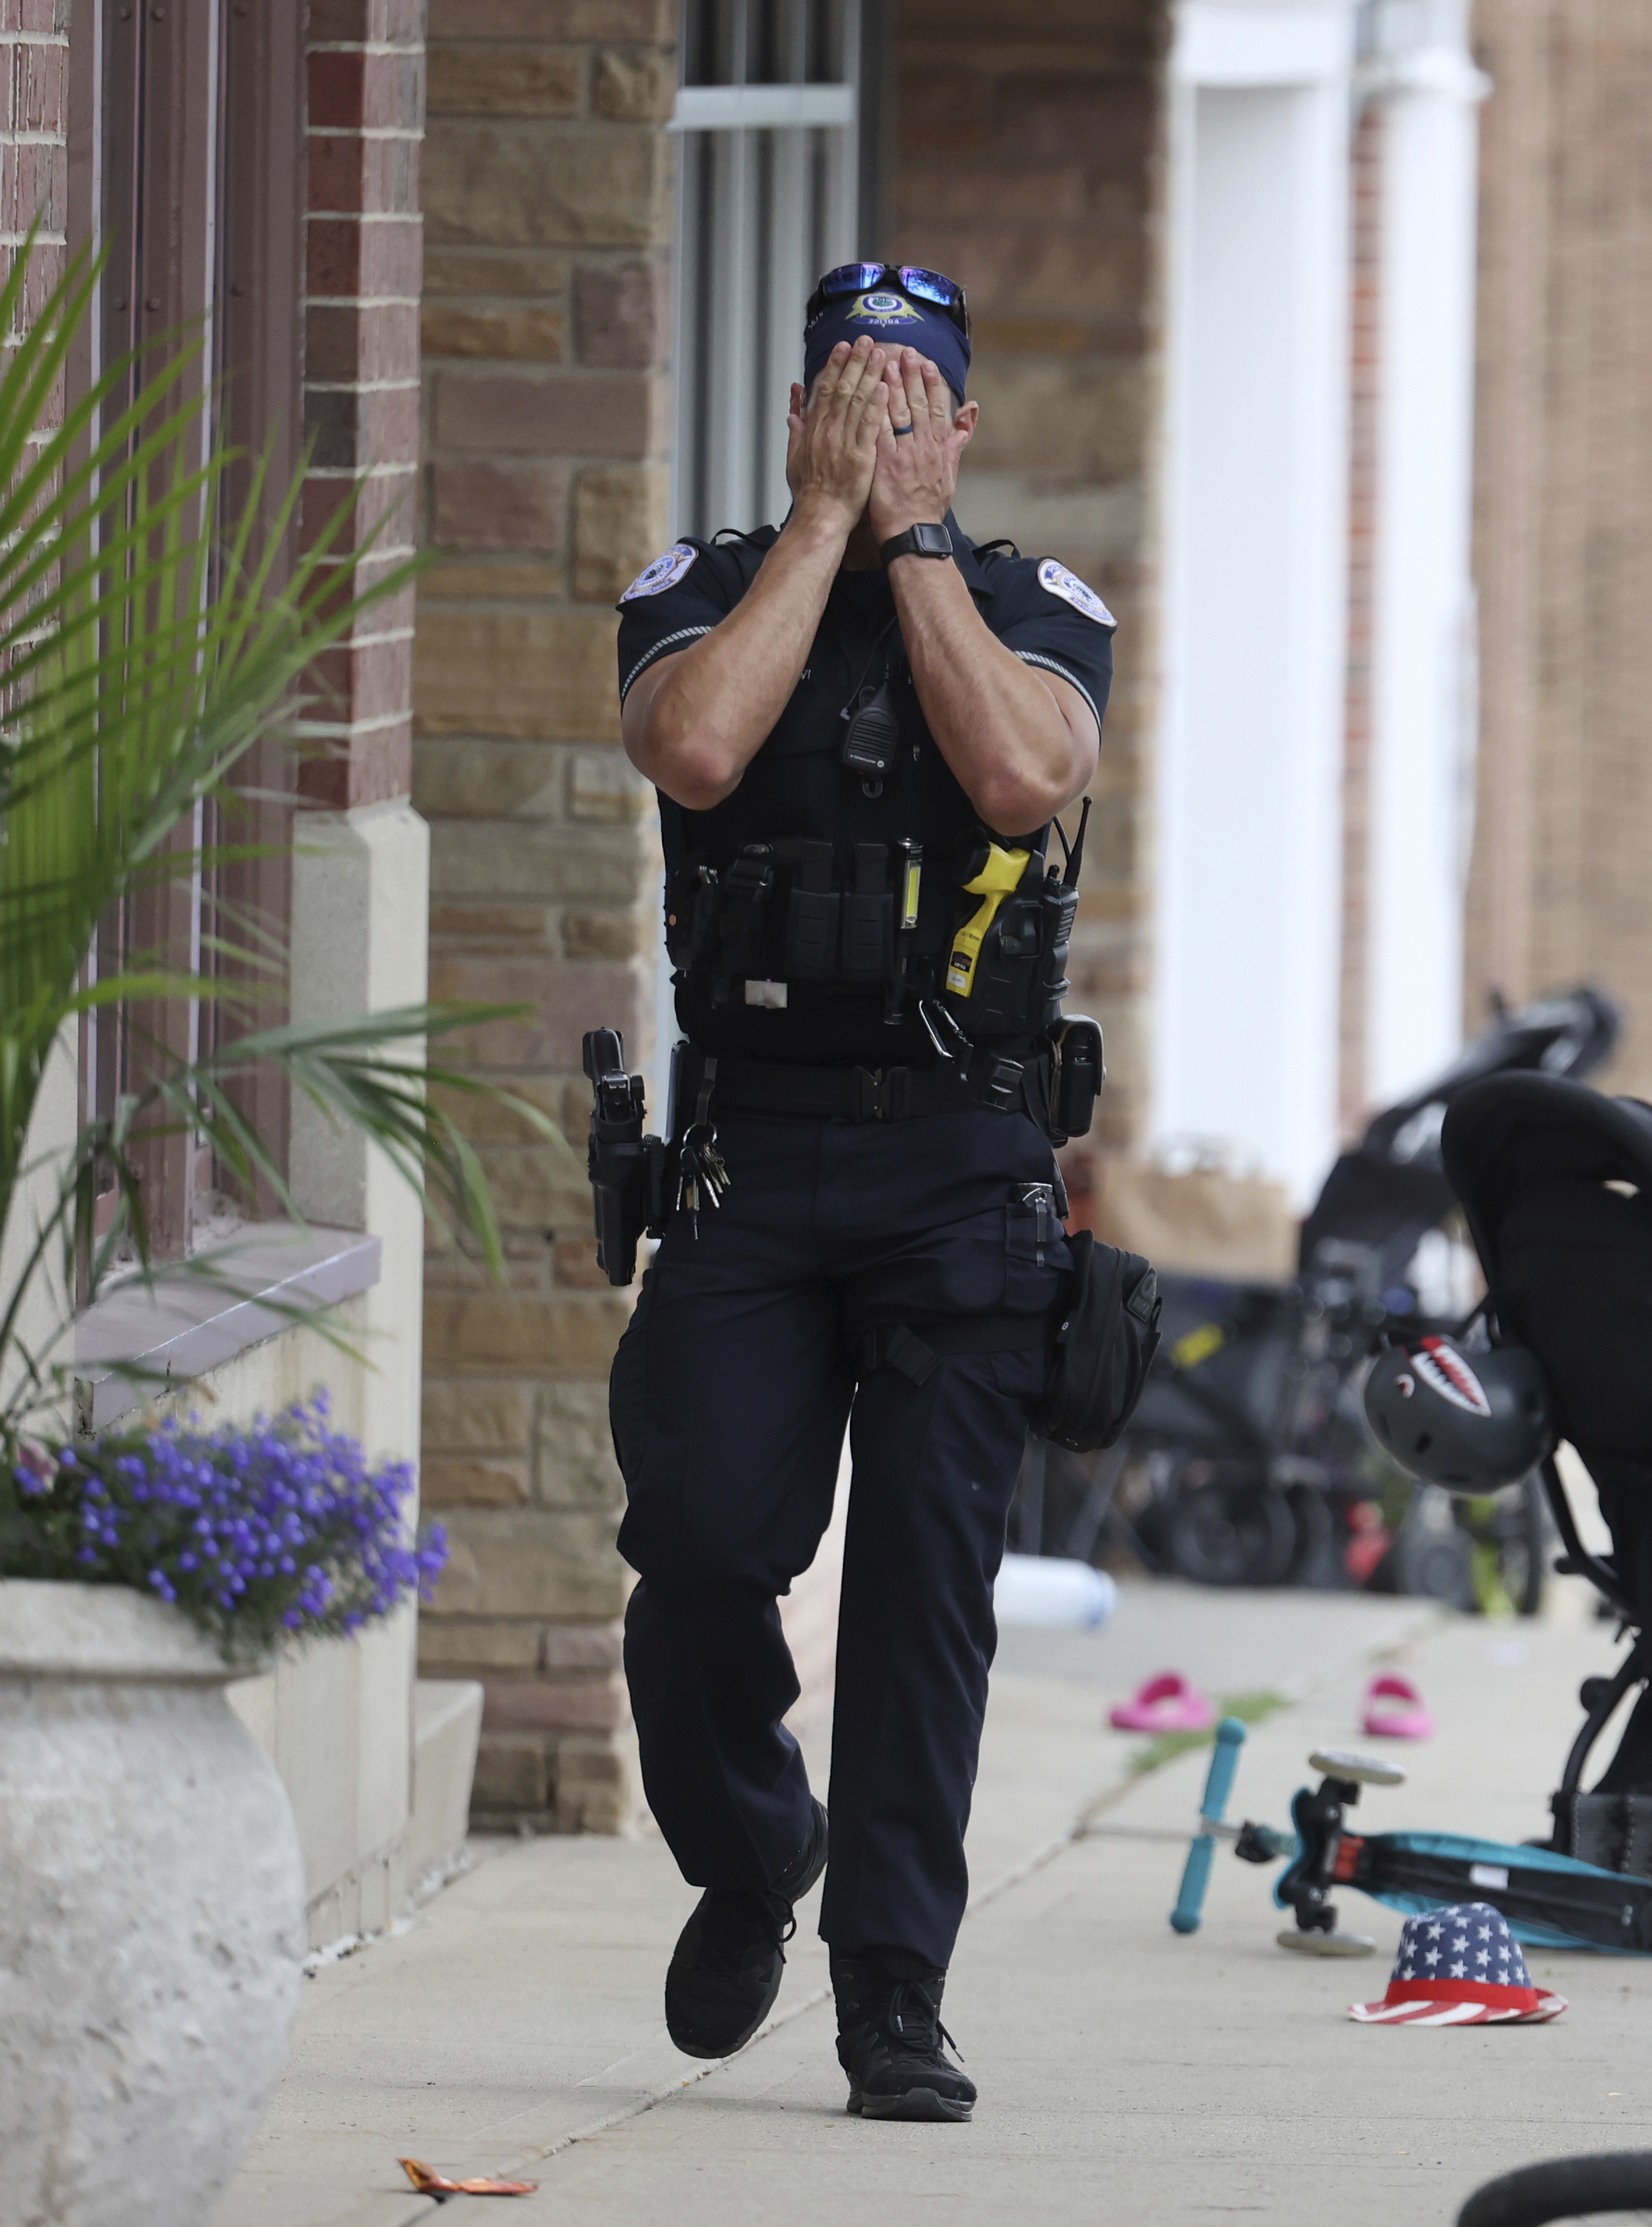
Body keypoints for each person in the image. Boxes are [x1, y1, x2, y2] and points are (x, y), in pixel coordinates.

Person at [607, 263, 1114, 2123]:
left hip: (960, 1169)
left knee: (924, 1600)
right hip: (754, 1156)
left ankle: (893, 1994)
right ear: (803, 408)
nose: (886, 418)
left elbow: (1011, 771)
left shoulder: (1031, 609)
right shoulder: (698, 589)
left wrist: (908, 543)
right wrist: (825, 524)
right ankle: (753, 1855)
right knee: (698, 1553)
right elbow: (699, 749)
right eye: (852, 392)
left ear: (964, 425)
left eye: (916, 399)